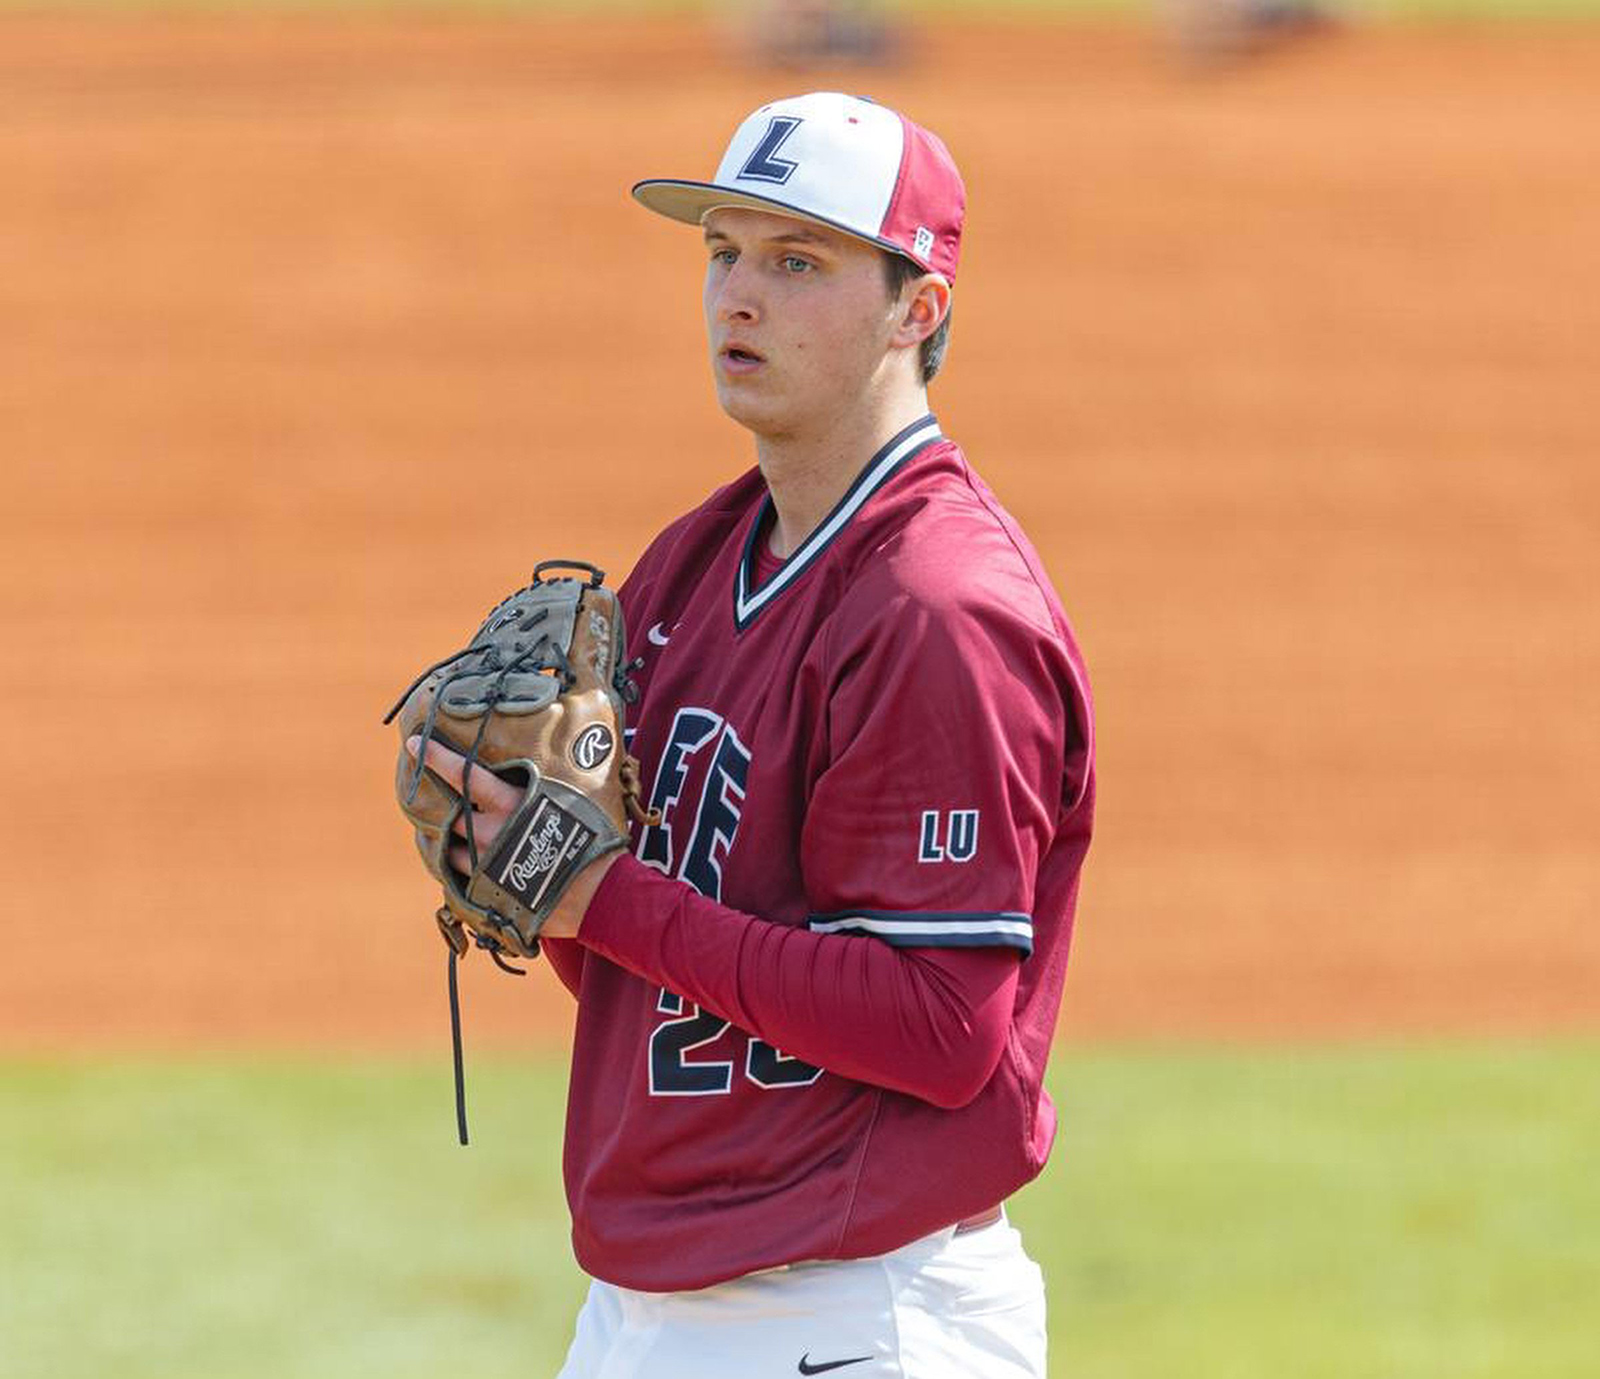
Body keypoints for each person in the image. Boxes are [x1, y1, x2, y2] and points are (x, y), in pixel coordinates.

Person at [407, 91, 1095, 1378]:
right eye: (723, 250)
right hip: (650, 1298)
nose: (738, 296)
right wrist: (538, 878)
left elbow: (945, 1027)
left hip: (850, 1313)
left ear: (917, 308)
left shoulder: (937, 611)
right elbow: (660, 970)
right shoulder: (683, 569)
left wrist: (601, 898)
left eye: (798, 261)